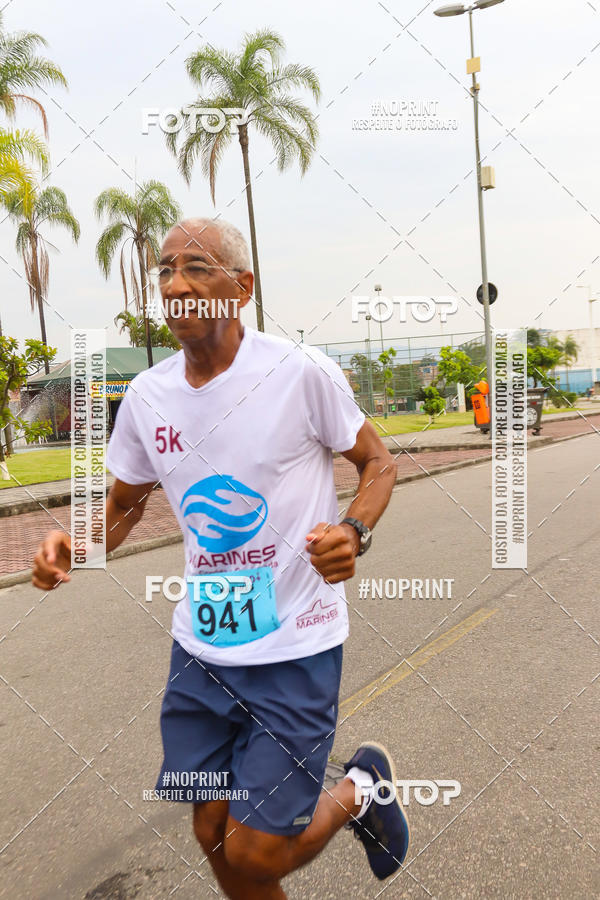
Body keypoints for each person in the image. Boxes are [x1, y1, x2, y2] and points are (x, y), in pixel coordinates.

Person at [32, 218, 409, 899]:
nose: (176, 285)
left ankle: (360, 789)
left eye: (196, 268)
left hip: (295, 646)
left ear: (241, 288)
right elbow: (124, 506)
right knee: (212, 832)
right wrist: (75, 542)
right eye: (166, 272)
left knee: (258, 851)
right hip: (203, 653)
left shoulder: (299, 374)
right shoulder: (147, 398)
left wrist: (354, 530)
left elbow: (378, 463)